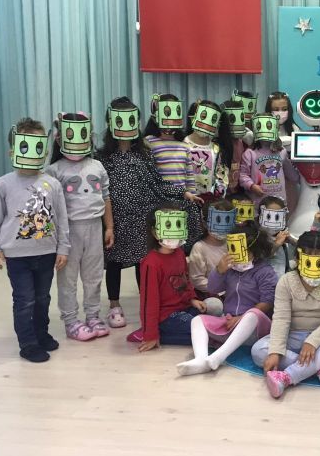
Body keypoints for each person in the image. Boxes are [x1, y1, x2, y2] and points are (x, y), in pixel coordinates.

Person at [96, 97, 201, 328]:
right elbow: (101, 193)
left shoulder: (144, 153)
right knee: (113, 262)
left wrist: (183, 193)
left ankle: (147, 301)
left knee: (142, 262)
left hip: (141, 217)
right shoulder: (102, 157)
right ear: (111, 123)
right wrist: (107, 224)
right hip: (116, 219)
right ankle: (114, 305)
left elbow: (157, 183)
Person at [0, 118, 70, 363]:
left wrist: (63, 248)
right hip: (17, 255)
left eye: (37, 146)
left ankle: (41, 334)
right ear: (12, 151)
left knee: (43, 298)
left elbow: (61, 218)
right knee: (24, 300)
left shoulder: (52, 183)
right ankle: (28, 343)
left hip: (46, 252)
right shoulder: (4, 183)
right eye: (25, 146)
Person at [251, 231, 320, 398]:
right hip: (293, 335)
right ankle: (318, 367)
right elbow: (281, 318)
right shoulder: (286, 281)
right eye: (308, 258)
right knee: (258, 351)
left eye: (319, 258)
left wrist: (313, 341)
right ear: (297, 258)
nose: (314, 264)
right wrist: (275, 351)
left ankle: (287, 376)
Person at [176, 222, 278, 375]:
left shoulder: (265, 271)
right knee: (197, 320)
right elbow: (213, 288)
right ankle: (201, 360)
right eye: (231, 248)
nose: (234, 253)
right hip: (230, 323)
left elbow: (268, 302)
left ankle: (218, 357)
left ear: (254, 249)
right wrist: (219, 271)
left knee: (252, 314)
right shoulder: (230, 269)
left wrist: (242, 318)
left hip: (255, 330)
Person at [46, 112, 113, 341]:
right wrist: (57, 240)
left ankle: (93, 315)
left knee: (94, 276)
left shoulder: (97, 166)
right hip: (68, 230)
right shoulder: (54, 170)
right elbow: (51, 208)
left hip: (94, 227)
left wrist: (109, 227)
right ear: (60, 138)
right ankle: (71, 320)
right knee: (68, 278)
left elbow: (106, 197)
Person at [131, 207, 218, 352]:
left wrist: (192, 299)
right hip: (166, 316)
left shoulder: (179, 253)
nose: (174, 232)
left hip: (184, 308)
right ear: (154, 232)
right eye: (168, 226)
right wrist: (150, 335)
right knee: (204, 331)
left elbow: (185, 280)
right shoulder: (151, 263)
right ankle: (154, 333)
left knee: (214, 310)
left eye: (178, 225)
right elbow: (148, 302)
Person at [145, 93, 204, 249]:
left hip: (183, 201)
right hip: (160, 202)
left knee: (182, 241)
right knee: (162, 243)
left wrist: (192, 196)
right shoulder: (149, 142)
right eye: (166, 113)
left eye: (174, 113)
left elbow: (189, 175)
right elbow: (150, 177)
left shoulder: (184, 145)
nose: (170, 119)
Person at [239, 113, 299, 203]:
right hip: (258, 201)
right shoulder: (250, 153)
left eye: (269, 126)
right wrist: (252, 186)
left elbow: (292, 175)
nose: (265, 130)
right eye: (260, 126)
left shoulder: (281, 151)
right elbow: (243, 175)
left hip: (279, 202)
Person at [189, 199, 236, 299]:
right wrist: (221, 289)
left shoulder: (232, 243)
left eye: (227, 220)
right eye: (218, 220)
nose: (222, 226)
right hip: (212, 295)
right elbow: (197, 280)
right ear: (205, 223)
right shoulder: (199, 248)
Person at [185, 99, 229, 202]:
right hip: (185, 201)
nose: (207, 123)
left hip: (209, 203)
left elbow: (222, 179)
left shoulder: (216, 150)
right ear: (194, 117)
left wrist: (214, 199)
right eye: (204, 116)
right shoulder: (182, 145)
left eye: (212, 119)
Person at [266, 91, 301, 211]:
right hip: (269, 180)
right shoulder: (263, 130)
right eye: (276, 109)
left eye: (284, 109)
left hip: (290, 180)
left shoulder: (295, 129)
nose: (280, 112)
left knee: (289, 209)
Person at [258, 195, 296, 278]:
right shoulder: (256, 236)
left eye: (278, 217)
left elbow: (304, 246)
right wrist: (276, 244)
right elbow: (261, 257)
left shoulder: (284, 233)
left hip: (283, 278)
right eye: (269, 217)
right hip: (266, 280)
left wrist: (292, 241)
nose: (273, 222)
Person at [220, 98, 251, 197]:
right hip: (221, 194)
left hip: (238, 192)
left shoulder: (244, 142)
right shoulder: (217, 145)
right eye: (232, 119)